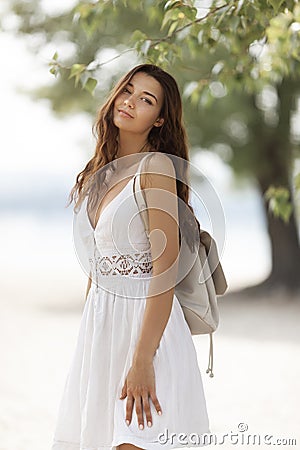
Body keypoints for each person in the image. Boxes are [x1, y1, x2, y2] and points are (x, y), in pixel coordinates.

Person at [51, 63, 210, 450]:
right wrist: (91, 346)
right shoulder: (97, 174)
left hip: (147, 332)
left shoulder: (154, 168)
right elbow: (95, 268)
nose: (130, 102)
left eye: (146, 99)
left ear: (159, 120)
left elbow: (165, 270)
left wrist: (142, 359)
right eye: (128, 90)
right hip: (102, 330)